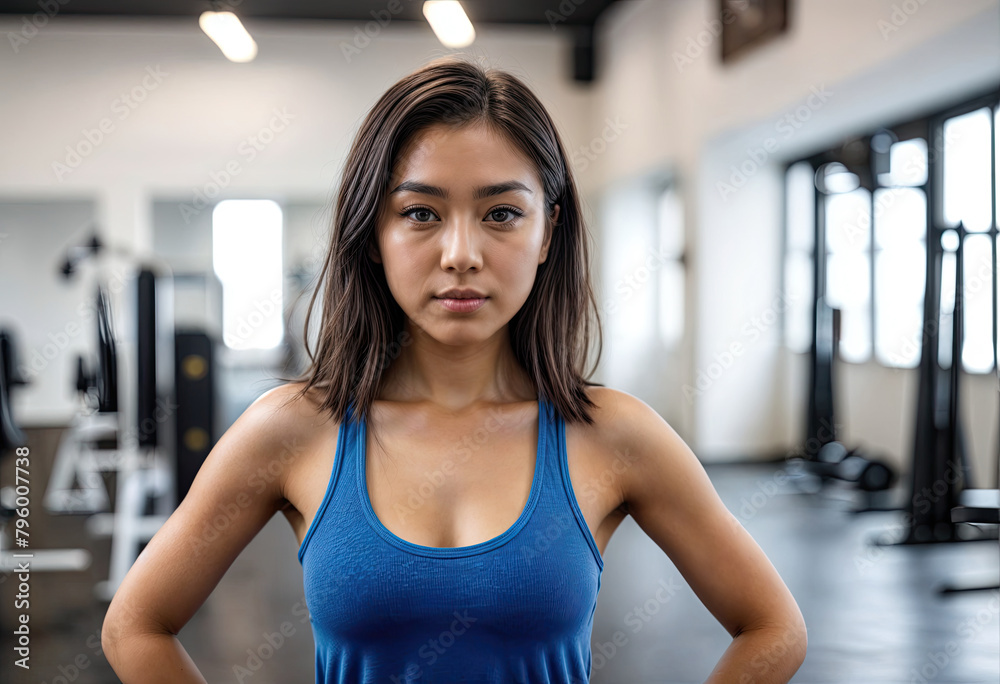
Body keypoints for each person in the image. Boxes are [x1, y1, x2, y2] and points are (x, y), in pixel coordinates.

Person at [102, 55, 807, 684]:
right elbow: (136, 627)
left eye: (501, 212)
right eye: (420, 213)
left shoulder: (615, 435)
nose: (461, 253)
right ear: (372, 233)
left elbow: (775, 631)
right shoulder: (290, 430)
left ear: (546, 233)